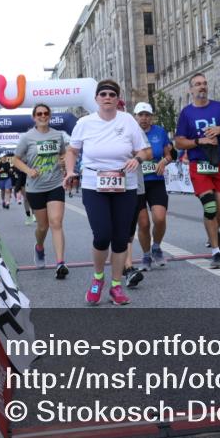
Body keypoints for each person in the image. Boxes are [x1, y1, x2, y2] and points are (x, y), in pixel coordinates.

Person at [64, 80, 151, 305]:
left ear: (117, 98)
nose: (107, 97)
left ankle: (116, 286)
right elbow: (72, 150)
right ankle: (98, 278)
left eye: (112, 94)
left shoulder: (128, 120)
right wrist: (70, 171)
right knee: (102, 235)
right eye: (103, 94)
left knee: (121, 238)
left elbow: (146, 151)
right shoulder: (85, 123)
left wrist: (137, 158)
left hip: (125, 184)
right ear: (96, 99)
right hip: (94, 184)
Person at [174, 72, 220, 269]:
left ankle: (213, 231)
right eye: (197, 84)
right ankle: (216, 252)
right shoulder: (186, 113)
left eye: (204, 83)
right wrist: (199, 141)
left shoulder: (219, 107)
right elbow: (179, 142)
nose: (202, 86)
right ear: (191, 89)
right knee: (210, 207)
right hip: (199, 165)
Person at [13, 104, 70, 278]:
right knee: (43, 226)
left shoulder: (58, 135)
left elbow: (64, 154)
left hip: (55, 184)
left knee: (56, 222)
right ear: (34, 117)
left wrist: (63, 160)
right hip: (35, 187)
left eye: (46, 113)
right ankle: (39, 247)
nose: (43, 116)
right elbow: (16, 159)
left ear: (50, 116)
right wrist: (28, 170)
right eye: (39, 114)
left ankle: (60, 263)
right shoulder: (27, 137)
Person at [124, 102, 174, 288]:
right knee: (143, 223)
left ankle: (157, 247)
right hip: (137, 183)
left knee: (159, 218)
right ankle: (146, 255)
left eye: (147, 115)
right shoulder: (130, 133)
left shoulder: (159, 132)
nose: (144, 118)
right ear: (135, 116)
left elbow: (170, 154)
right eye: (140, 115)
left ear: (151, 117)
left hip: (155, 181)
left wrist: (164, 161)